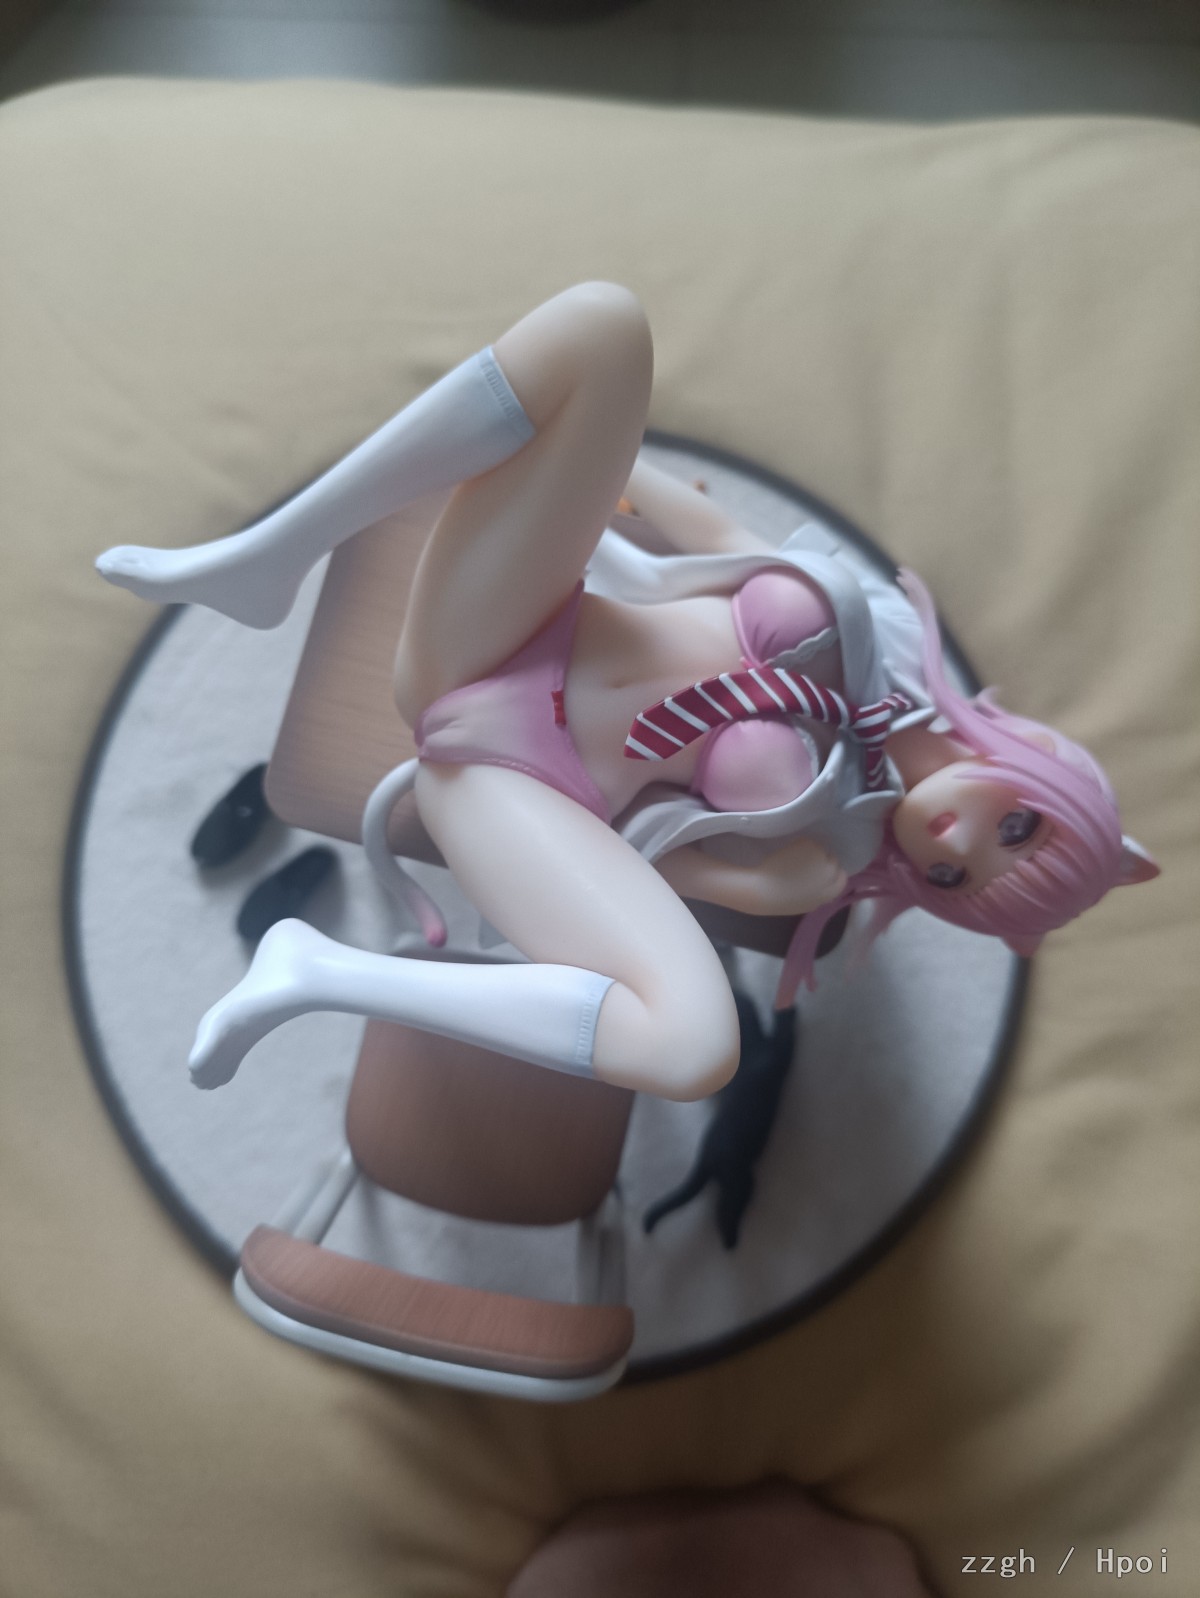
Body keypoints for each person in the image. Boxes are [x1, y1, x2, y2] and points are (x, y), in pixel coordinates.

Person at [95, 283, 1157, 1104]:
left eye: (953, 876)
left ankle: (319, 974)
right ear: (1045, 766)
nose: (956, 840)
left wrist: (760, 878)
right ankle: (270, 558)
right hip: (516, 628)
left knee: (696, 1047)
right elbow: (725, 539)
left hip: (517, 783)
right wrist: (594, 465)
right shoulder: (889, 629)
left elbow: (646, 861)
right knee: (604, 327)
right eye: (1017, 827)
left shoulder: (829, 850)